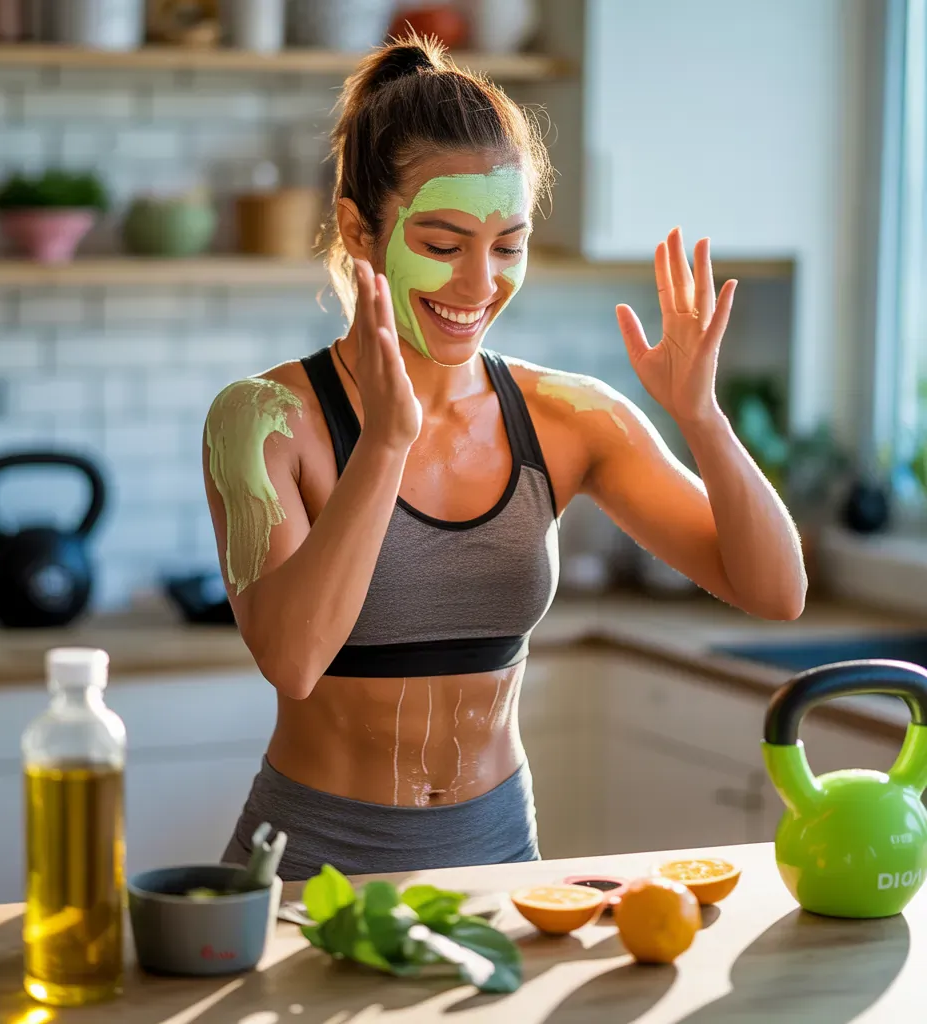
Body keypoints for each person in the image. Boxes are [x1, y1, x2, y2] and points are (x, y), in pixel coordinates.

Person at [203, 36, 807, 882]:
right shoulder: (264, 421)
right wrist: (384, 442)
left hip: (501, 866)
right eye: (445, 244)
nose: (479, 283)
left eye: (509, 245)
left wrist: (701, 416)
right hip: (314, 870)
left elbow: (777, 592)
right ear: (358, 229)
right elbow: (294, 660)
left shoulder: (567, 417)